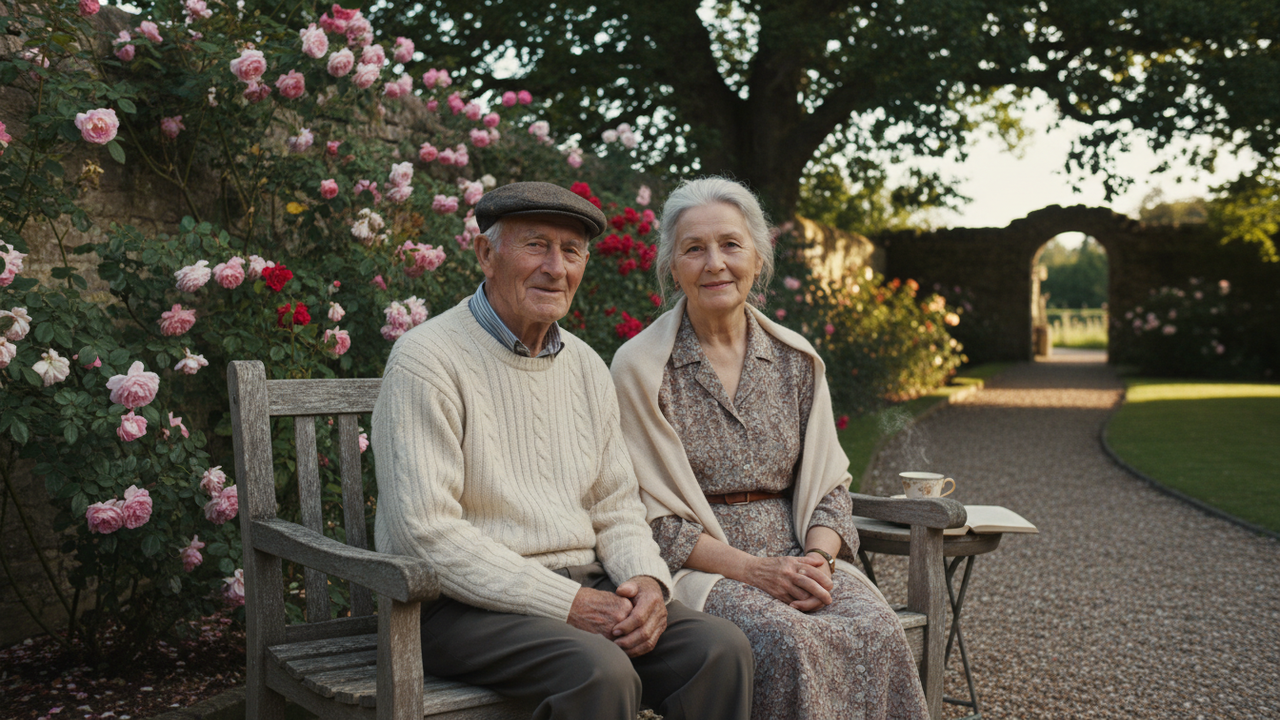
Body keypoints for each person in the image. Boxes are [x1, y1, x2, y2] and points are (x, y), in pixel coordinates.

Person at [372, 181, 753, 720]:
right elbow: (426, 534)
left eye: (571, 251)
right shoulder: (427, 359)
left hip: (585, 586)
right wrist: (566, 604)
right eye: (535, 245)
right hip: (454, 606)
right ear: (486, 254)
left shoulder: (585, 365)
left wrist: (645, 580)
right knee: (601, 671)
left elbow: (615, 507)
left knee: (720, 651)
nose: (556, 267)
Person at [610, 177, 930, 720]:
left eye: (731, 245)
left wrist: (818, 559)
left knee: (874, 627)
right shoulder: (641, 369)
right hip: (706, 568)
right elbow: (649, 518)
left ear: (758, 258)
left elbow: (829, 489)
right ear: (672, 266)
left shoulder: (795, 360)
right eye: (695, 249)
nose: (715, 263)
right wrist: (757, 571)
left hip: (802, 556)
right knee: (790, 641)